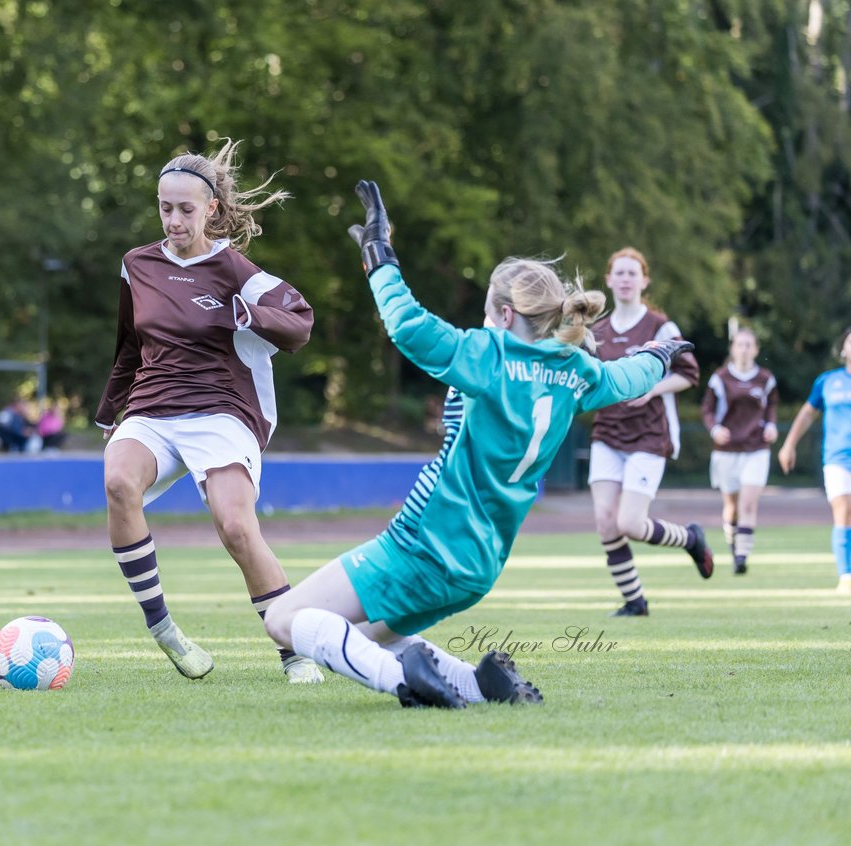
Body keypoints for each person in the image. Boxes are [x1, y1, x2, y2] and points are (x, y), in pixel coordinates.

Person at [263, 180, 690, 709]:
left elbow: (406, 323)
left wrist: (378, 252)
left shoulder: (488, 354)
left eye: (490, 310)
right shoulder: (576, 369)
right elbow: (626, 379)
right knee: (373, 638)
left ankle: (405, 683)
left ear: (506, 316)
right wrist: (659, 355)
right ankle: (480, 683)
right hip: (481, 563)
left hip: (424, 542)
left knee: (283, 621)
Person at [95, 138, 324, 684]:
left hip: (221, 412)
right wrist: (110, 412)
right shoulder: (137, 265)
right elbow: (129, 345)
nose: (173, 220)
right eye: (164, 208)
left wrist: (250, 313)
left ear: (211, 210)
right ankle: (164, 630)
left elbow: (300, 322)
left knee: (236, 527)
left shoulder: (234, 269)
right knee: (118, 483)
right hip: (152, 408)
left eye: (185, 210)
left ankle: (293, 649)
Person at [587, 247, 713, 617]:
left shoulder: (660, 327)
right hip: (607, 432)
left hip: (649, 435)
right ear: (608, 279)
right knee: (605, 523)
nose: (625, 279)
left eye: (632, 273)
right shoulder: (597, 330)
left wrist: (652, 388)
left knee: (629, 523)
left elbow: (689, 373)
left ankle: (691, 538)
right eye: (619, 273)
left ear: (644, 281)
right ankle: (634, 601)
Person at [778, 326, 851, 594]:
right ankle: (846, 577)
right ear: (843, 349)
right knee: (843, 511)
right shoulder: (828, 381)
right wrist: (788, 445)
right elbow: (807, 414)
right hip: (837, 457)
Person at [700, 327, 779, 574]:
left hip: (756, 449)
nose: (744, 349)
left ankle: (741, 558)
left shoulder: (766, 379)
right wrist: (715, 429)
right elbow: (708, 411)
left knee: (748, 503)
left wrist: (772, 427)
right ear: (733, 349)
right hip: (726, 451)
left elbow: (771, 408)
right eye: (740, 344)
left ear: (755, 349)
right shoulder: (720, 378)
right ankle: (735, 544)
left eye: (749, 345)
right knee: (732, 507)